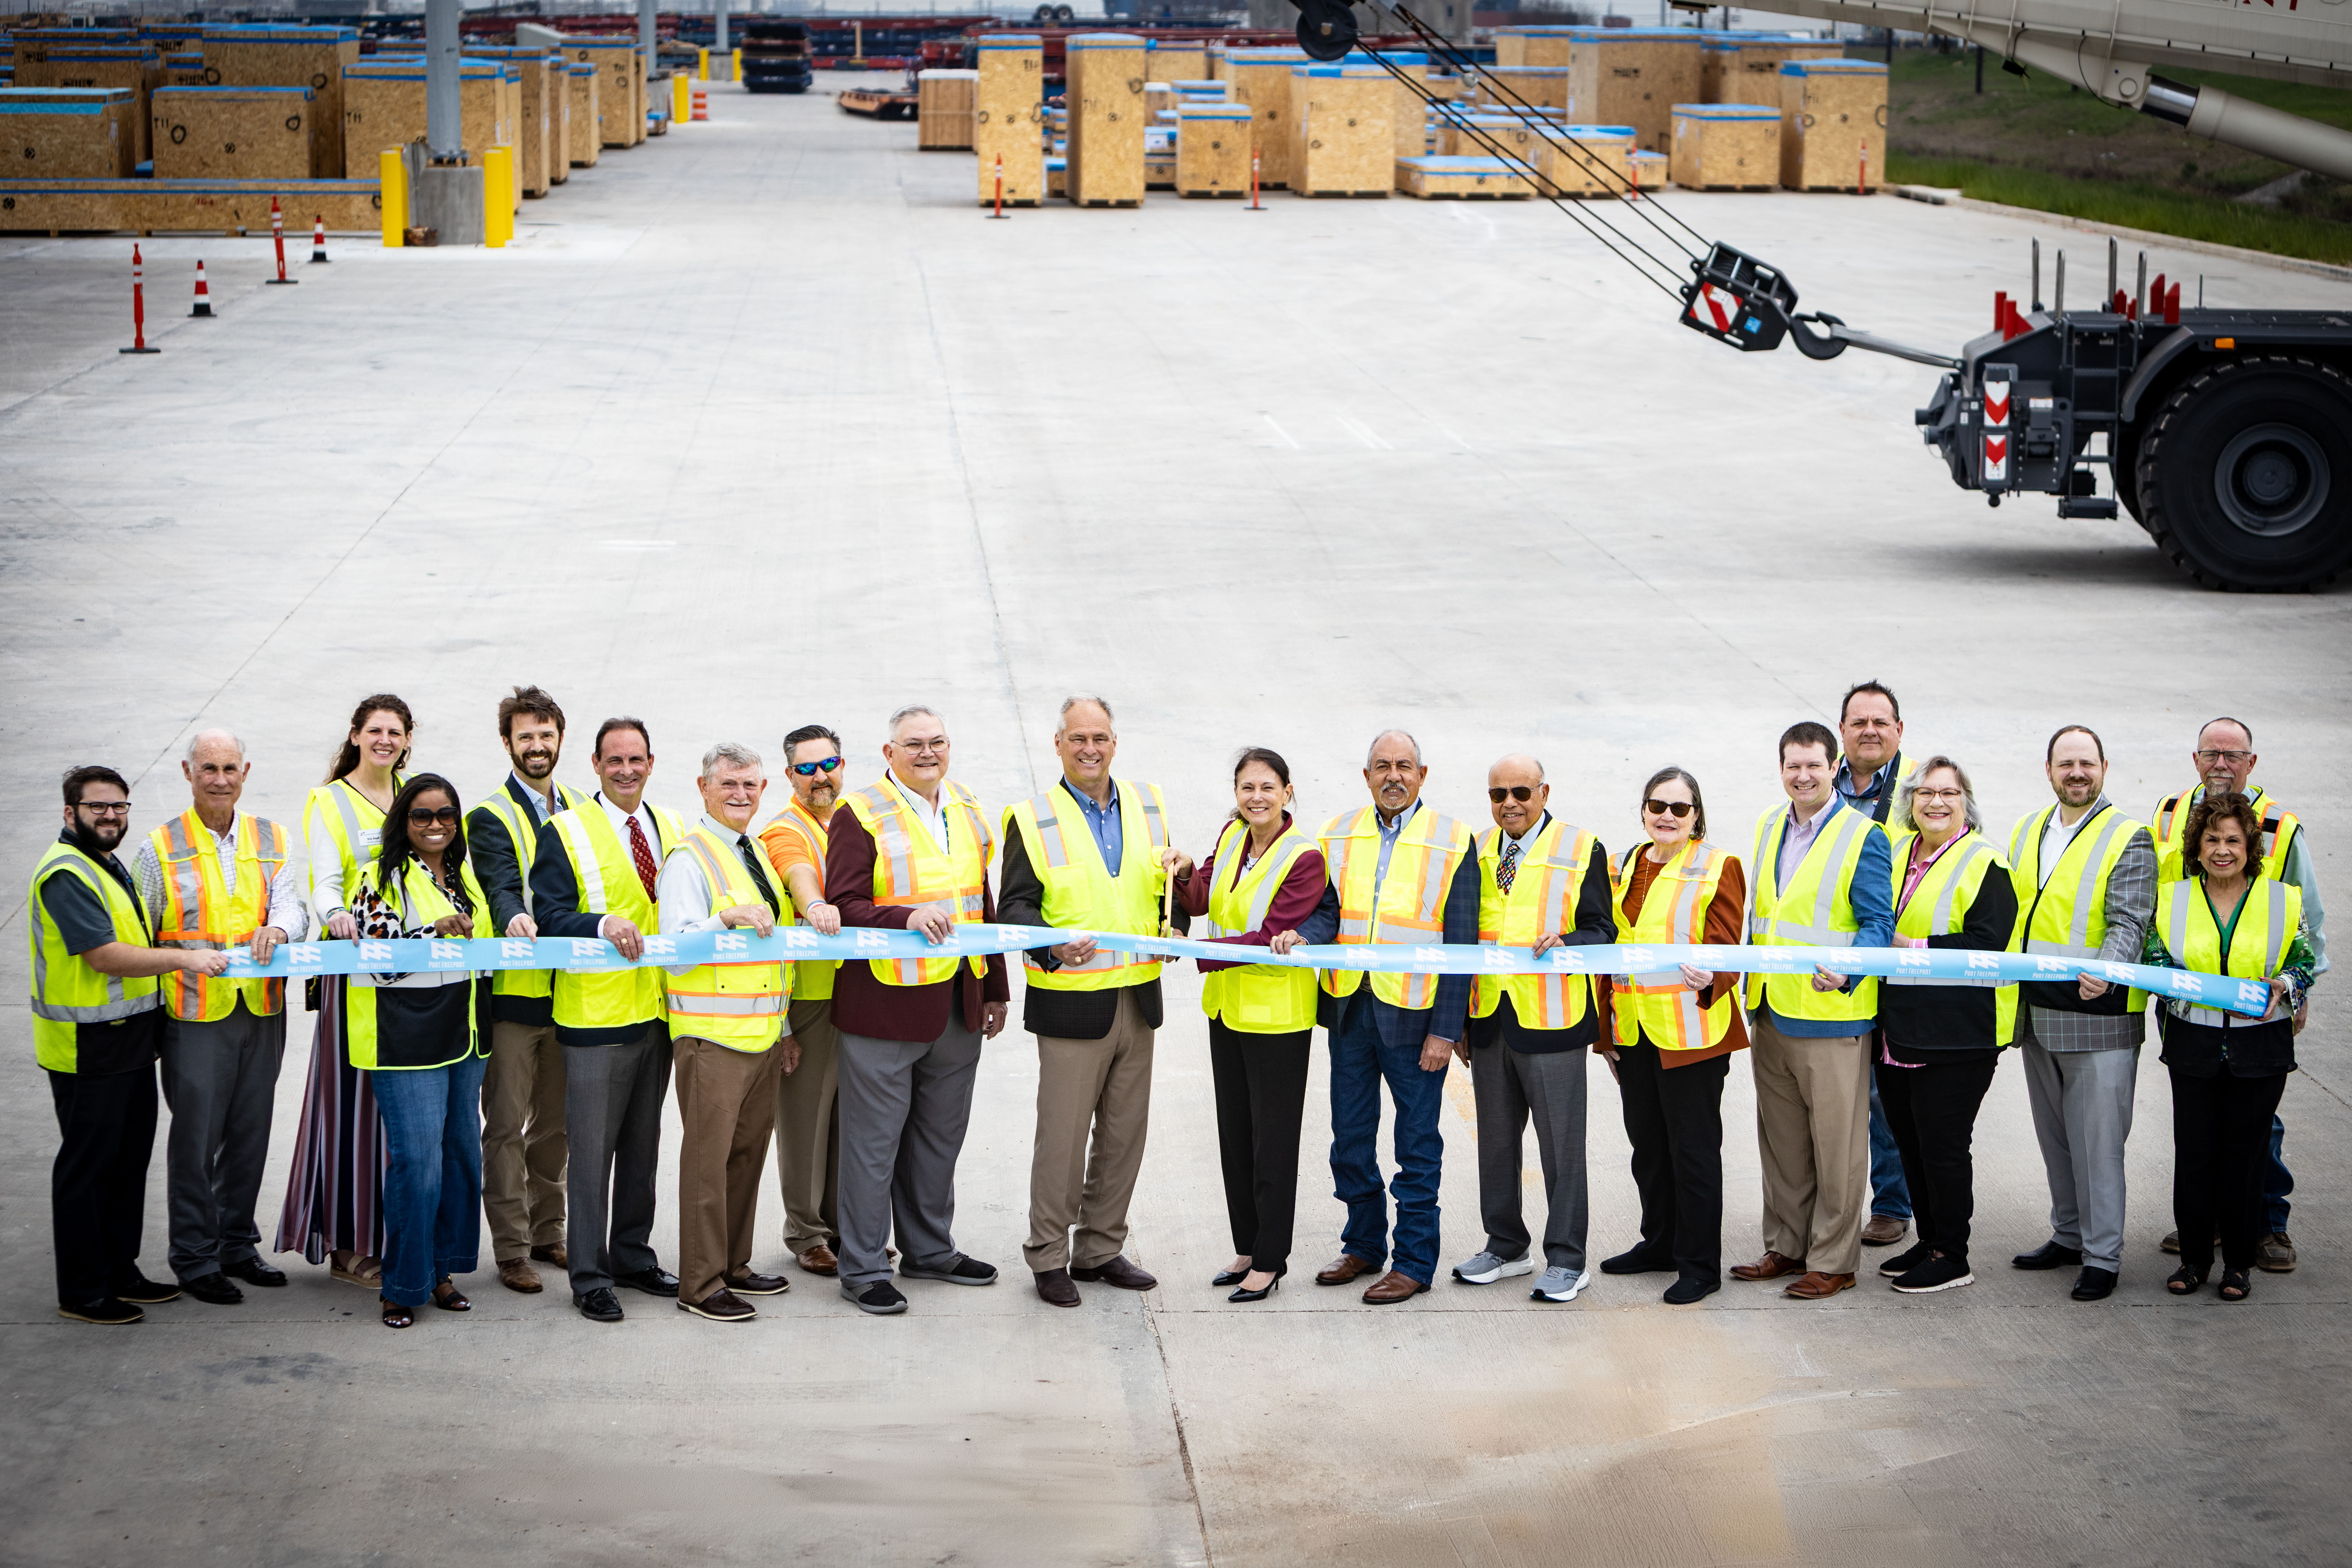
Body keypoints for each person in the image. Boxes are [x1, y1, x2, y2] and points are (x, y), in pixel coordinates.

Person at [997, 696, 1183, 1308]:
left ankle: (1100, 1249)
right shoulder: (1032, 816)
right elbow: (1016, 909)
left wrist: (1176, 922)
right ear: (1058, 745)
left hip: (1137, 997)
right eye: (1077, 738)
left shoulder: (1148, 803)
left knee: (1125, 1135)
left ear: (1114, 742)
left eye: (1099, 737)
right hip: (1072, 1005)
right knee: (1063, 1139)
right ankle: (1049, 1257)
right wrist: (1053, 951)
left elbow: (1164, 883)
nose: (1090, 749)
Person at [825, 705, 1010, 1316]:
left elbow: (981, 904)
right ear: (889, 752)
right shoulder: (860, 812)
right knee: (873, 1146)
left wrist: (997, 988)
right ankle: (864, 1266)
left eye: (937, 742)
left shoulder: (967, 807)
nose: (927, 752)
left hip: (960, 999)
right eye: (913, 744)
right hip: (885, 1005)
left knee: (939, 1139)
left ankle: (930, 1250)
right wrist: (903, 918)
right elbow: (843, 903)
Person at [33, 765, 230, 1324]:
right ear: (70, 813)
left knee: (126, 1165)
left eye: (119, 807)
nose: (111, 816)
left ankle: (120, 1270)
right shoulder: (67, 872)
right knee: (88, 1169)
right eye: (98, 807)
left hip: (130, 1043)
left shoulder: (107, 862)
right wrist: (185, 958)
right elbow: (103, 954)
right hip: (88, 1046)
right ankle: (83, 1290)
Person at [131, 730, 307, 1305]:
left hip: (261, 1008)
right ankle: (194, 1257)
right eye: (208, 768)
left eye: (229, 767)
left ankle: (237, 1244)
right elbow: (141, 930)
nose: (220, 778)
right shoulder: (159, 847)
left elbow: (290, 902)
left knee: (250, 1135)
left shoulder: (271, 836)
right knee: (195, 1141)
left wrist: (279, 928)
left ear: (246, 770)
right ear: (188, 773)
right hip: (194, 1014)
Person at [2150, 718, 2322, 1275]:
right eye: (2211, 753)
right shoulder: (2168, 814)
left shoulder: (2283, 827)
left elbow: (2305, 928)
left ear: (2252, 762)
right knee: (2197, 1141)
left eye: (2233, 754)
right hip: (2193, 1027)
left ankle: (2267, 1226)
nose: (2221, 763)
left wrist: (2296, 993)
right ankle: (2206, 1235)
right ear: (2195, 758)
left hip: (2259, 1027)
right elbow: (2160, 927)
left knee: (2254, 1136)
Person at [529, 717, 687, 1324]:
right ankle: (590, 1276)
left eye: (637, 760)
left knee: (642, 1151)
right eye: (614, 760)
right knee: (591, 1156)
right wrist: (601, 924)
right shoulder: (564, 829)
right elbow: (548, 912)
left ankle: (631, 1256)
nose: (626, 770)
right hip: (595, 1018)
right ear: (595, 765)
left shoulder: (671, 826)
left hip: (656, 1012)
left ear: (651, 763)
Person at [1312, 730, 1478, 1306]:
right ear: (1366, 777)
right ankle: (1362, 1244)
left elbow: (1462, 943)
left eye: (1404, 766)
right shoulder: (1336, 833)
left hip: (1416, 1016)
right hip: (1349, 1007)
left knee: (1416, 1144)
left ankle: (1412, 1261)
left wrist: (1446, 1028)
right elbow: (1322, 911)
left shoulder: (1453, 840)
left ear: (1423, 774)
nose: (1394, 776)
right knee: (1350, 1137)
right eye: (1382, 766)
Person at [1731, 720, 1895, 1302]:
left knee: (1838, 1147)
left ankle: (1834, 1259)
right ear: (1782, 771)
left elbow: (1880, 925)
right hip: (1770, 1009)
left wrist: (1850, 969)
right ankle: (1787, 1245)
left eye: (1814, 766)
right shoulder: (1769, 824)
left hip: (1831, 1015)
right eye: (1792, 766)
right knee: (1782, 1144)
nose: (1803, 775)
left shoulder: (1864, 836)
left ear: (1835, 770)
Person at [1449, 755, 1612, 1305]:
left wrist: (1571, 944)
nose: (1509, 804)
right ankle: (1506, 1245)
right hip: (1491, 1018)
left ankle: (1567, 1259)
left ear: (1544, 792)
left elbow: (1602, 929)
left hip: (1554, 1022)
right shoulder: (1475, 847)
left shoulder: (1579, 846)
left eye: (1521, 792)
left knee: (1561, 1150)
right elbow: (1467, 934)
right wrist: (1465, 1020)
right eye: (1498, 795)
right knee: (1494, 1144)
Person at [1172, 748, 1333, 1303]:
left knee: (1273, 1144)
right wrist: (1186, 870)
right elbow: (1199, 900)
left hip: (1277, 1021)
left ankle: (1270, 1260)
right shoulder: (1232, 835)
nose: (1256, 798)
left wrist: (1192, 950)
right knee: (1236, 1138)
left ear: (1288, 793)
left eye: (1267, 787)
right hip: (1227, 1009)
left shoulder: (1305, 858)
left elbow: (1271, 936)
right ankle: (1246, 1246)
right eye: (1247, 788)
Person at [2004, 724, 2156, 1304]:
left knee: (2097, 1146)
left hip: (2098, 1015)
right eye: (2065, 764)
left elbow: (2131, 919)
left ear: (2105, 768)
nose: (2076, 773)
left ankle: (2102, 1256)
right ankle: (2069, 1235)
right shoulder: (2028, 830)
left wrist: (2110, 969)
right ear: (2049, 770)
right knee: (2058, 1140)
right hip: (2037, 1014)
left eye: (2086, 764)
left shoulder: (2128, 835)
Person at [276, 693, 413, 1288]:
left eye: (396, 731)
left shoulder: (414, 795)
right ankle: (347, 1244)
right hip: (354, 967)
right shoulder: (328, 801)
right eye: (375, 730)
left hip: (410, 973)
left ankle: (395, 1233)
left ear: (408, 740)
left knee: (401, 1112)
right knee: (352, 1106)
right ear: (356, 735)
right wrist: (337, 917)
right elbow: (325, 881)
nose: (385, 740)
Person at [1597, 767, 1748, 1306]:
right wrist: (1606, 1034)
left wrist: (1717, 975)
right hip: (1634, 1031)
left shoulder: (1718, 865)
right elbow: (1608, 950)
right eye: (1657, 805)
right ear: (1643, 810)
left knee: (1695, 1153)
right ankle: (1658, 1244)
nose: (1666, 816)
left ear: (1696, 816)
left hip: (1694, 1034)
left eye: (1679, 809)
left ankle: (1700, 1266)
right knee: (1649, 1150)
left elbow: (1729, 944)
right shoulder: (1621, 865)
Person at [345, 775, 491, 1329]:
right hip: (407, 1041)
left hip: (466, 1036)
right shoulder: (379, 879)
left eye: (446, 815)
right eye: (422, 816)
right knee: (419, 1165)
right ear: (403, 822)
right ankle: (402, 1287)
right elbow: (380, 962)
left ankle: (441, 1272)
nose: (436, 825)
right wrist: (432, 930)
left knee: (461, 1158)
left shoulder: (466, 874)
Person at [658, 743, 795, 1323]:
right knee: (707, 1166)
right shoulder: (690, 859)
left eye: (751, 785)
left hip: (761, 1035)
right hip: (711, 1038)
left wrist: (785, 1027)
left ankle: (734, 1265)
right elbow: (676, 954)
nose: (742, 794)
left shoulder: (754, 852)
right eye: (730, 785)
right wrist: (726, 919)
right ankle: (701, 1282)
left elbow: (775, 953)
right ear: (704, 788)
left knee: (745, 1159)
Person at [1871, 758, 2018, 1296]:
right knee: (1910, 1141)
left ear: (1966, 803)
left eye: (1949, 794)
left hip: (1958, 1033)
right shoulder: (1898, 855)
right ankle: (1930, 1239)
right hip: (1899, 1029)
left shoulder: (1986, 862)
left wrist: (1915, 949)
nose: (1936, 802)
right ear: (1910, 802)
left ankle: (1952, 1255)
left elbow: (1990, 941)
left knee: (1944, 1145)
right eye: (1926, 792)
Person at [464, 685, 589, 1295]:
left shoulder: (582, 810)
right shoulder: (489, 815)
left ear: (560, 740)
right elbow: (499, 883)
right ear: (508, 743)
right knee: (507, 1128)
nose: (537, 747)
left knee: (556, 1127)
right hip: (514, 998)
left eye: (546, 736)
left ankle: (549, 1231)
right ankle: (513, 1250)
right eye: (525, 738)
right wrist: (514, 913)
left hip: (570, 995)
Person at [757, 723, 849, 1276]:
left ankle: (841, 1225)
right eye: (807, 769)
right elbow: (798, 878)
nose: (821, 777)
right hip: (811, 998)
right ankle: (806, 1233)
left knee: (847, 1121)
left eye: (828, 765)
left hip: (859, 993)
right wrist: (816, 906)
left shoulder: (855, 816)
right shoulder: (785, 829)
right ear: (790, 776)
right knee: (805, 1122)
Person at [1833, 680, 1920, 1252]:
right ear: (1842, 729)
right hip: (1834, 961)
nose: (1869, 731)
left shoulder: (1922, 786)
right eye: (1858, 722)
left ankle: (1892, 1204)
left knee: (1886, 1092)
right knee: (1846, 1090)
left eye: (1879, 722)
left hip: (1897, 959)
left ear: (1898, 731)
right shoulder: (1820, 780)